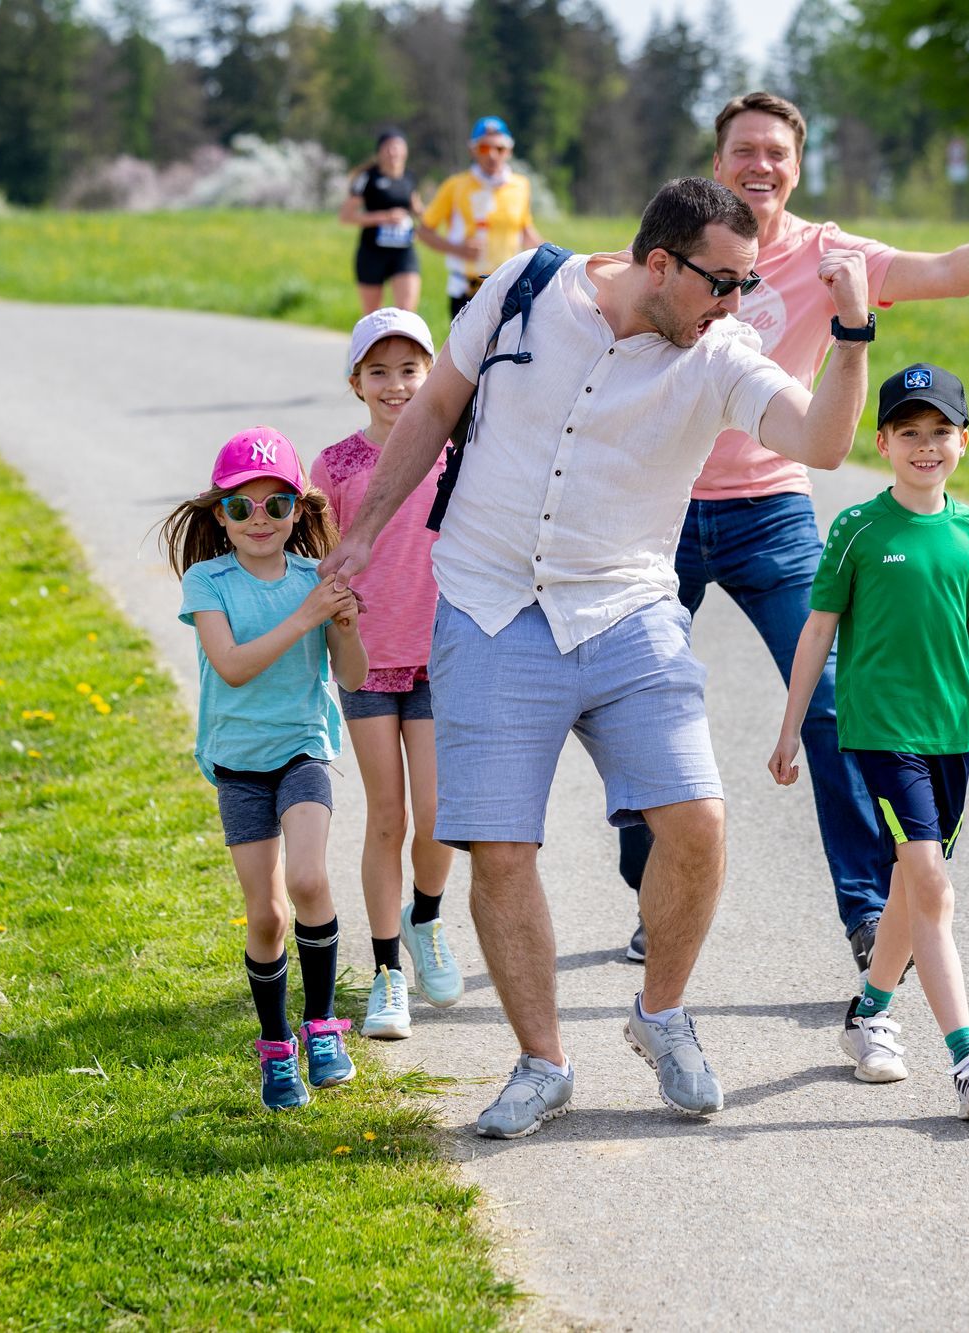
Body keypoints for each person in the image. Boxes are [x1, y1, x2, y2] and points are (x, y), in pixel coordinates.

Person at [321, 177, 875, 1139]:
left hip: (626, 610)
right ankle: (543, 1064)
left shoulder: (721, 354)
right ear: (658, 263)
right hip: (491, 607)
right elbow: (436, 407)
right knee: (499, 849)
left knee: (696, 822)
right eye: (721, 283)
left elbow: (823, 443)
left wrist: (854, 334)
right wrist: (365, 531)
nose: (736, 305)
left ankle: (660, 1013)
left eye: (746, 286)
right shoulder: (523, 289)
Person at [615, 91, 969, 1002]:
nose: (761, 166)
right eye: (745, 150)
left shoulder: (831, 254)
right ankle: (651, 877)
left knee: (826, 703)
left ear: (796, 164)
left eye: (777, 153)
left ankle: (866, 910)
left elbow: (948, 271)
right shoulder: (686, 239)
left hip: (772, 507)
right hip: (659, 507)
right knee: (633, 700)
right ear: (718, 160)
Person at [769, 362, 969, 1120]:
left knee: (909, 884)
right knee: (931, 881)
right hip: (879, 731)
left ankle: (868, 1015)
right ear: (884, 441)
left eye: (940, 433)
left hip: (948, 734)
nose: (925, 446)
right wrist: (791, 726)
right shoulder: (857, 528)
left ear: (963, 440)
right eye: (909, 433)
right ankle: (968, 1056)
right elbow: (818, 629)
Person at [162, 427, 370, 1111]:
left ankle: (322, 1027)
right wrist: (308, 613)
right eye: (242, 507)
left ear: (299, 513)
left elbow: (354, 674)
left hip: (303, 748)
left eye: (277, 505)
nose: (260, 520)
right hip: (238, 765)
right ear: (219, 515)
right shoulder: (207, 581)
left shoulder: (316, 578)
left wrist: (341, 623)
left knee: (310, 878)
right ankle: (277, 1047)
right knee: (267, 916)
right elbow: (235, 666)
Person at [313, 308, 461, 1042]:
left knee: (437, 816)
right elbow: (326, 554)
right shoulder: (336, 466)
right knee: (387, 817)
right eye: (379, 371)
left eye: (409, 369)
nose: (396, 384)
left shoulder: (459, 447)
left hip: (443, 655)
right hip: (367, 661)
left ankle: (425, 918)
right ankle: (385, 975)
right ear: (356, 382)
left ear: (432, 374)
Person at [416, 116, 544, 318]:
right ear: (473, 150)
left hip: (508, 287)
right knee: (467, 351)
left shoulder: (520, 185)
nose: (492, 155)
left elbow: (526, 232)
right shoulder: (456, 186)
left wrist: (560, 258)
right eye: (484, 148)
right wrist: (458, 249)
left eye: (499, 149)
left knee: (507, 350)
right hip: (467, 288)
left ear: (509, 151)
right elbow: (423, 231)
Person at [339, 130, 424, 315]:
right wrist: (384, 217)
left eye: (397, 148)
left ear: (405, 152)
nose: (393, 152)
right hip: (372, 252)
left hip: (403, 250)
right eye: (388, 148)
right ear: (379, 152)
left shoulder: (409, 177)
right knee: (372, 314)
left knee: (406, 313)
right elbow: (346, 216)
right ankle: (367, 344)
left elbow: (417, 209)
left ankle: (401, 343)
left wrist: (426, 223)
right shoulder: (368, 177)